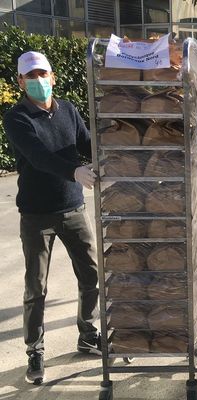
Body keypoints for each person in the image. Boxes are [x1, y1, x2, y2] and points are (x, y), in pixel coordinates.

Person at [2, 51, 100, 385]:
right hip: (36, 215)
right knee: (36, 287)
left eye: (43, 74)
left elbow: (89, 143)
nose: (38, 81)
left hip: (73, 208)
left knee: (91, 275)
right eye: (31, 76)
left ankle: (88, 334)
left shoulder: (69, 110)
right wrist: (74, 171)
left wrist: (119, 151)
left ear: (53, 77)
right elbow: (39, 157)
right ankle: (35, 350)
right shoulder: (16, 118)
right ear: (20, 82)